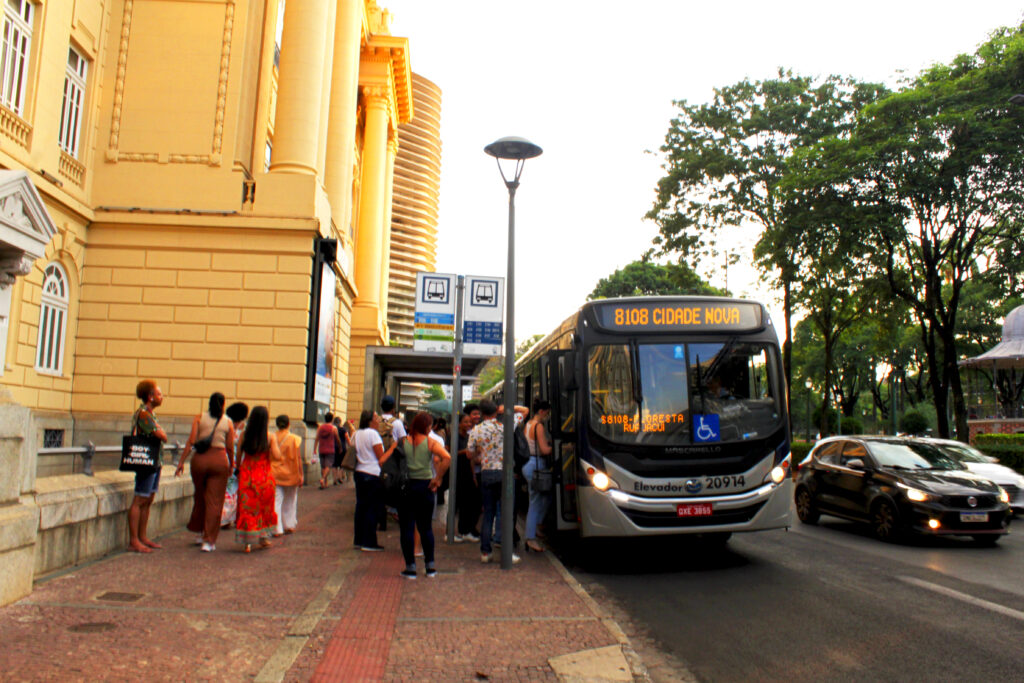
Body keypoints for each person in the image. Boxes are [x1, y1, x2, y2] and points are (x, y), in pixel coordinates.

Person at [467, 399, 527, 564]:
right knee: (506, 513)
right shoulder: (504, 427)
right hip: (505, 474)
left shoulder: (476, 430)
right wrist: (507, 407)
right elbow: (525, 411)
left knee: (488, 514)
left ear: (481, 413)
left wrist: (482, 455)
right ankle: (506, 550)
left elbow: (469, 454)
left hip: (487, 474)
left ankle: (485, 552)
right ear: (496, 411)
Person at [176, 392, 235, 552]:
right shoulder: (228, 422)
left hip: (200, 460)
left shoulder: (199, 417)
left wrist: (181, 462)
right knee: (215, 502)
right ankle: (208, 541)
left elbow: (191, 441)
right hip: (219, 460)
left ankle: (199, 532)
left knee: (200, 496)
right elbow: (229, 447)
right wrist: (231, 464)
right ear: (223, 404)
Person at [397, 412, 451, 579]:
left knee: (406, 527)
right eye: (429, 426)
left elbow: (382, 460)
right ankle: (430, 567)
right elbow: (446, 457)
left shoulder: (402, 442)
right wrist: (437, 478)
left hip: (406, 487)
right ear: (426, 427)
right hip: (426, 486)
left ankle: (410, 568)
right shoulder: (430, 442)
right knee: (426, 527)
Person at [127, 379, 168, 553]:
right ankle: (134, 540)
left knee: (149, 499)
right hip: (146, 461)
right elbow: (161, 435)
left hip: (154, 461)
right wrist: (161, 432)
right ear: (150, 396)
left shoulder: (150, 414)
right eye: (159, 394)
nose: (162, 396)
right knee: (140, 499)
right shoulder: (143, 414)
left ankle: (143, 536)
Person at [236, 406, 281, 552]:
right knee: (264, 508)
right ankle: (263, 538)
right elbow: (277, 456)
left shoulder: (244, 435)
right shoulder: (270, 436)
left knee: (247, 508)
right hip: (264, 477)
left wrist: (239, 468)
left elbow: (238, 455)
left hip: (247, 475)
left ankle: (247, 543)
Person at [353, 410, 397, 551]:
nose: (378, 421)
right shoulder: (373, 434)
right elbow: (381, 457)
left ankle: (359, 539)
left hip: (359, 471)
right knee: (372, 507)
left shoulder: (357, 433)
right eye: (376, 418)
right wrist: (392, 449)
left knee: (361, 507)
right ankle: (369, 541)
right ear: (370, 420)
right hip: (372, 473)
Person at [522, 399, 553, 553]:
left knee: (543, 497)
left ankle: (536, 527)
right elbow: (544, 449)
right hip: (536, 464)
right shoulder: (539, 426)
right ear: (541, 411)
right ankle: (530, 537)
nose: (547, 415)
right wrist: (555, 446)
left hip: (527, 464)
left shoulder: (527, 424)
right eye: (547, 412)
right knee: (535, 502)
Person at [272, 414, 303, 536]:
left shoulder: (272, 437)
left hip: (275, 472)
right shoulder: (295, 438)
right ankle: (289, 525)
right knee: (290, 500)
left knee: (276, 501)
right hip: (291, 472)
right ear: (288, 424)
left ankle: (277, 528)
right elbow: (298, 458)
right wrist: (301, 474)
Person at [220, 402, 250, 528]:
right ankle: (229, 519)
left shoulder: (225, 424)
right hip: (237, 462)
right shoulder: (242, 429)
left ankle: (224, 519)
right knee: (235, 492)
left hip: (225, 460)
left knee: (226, 491)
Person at [453, 413, 480, 542]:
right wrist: (463, 452)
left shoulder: (469, 437)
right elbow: (448, 452)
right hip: (457, 472)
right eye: (465, 422)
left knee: (466, 503)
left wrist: (473, 474)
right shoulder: (454, 436)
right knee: (456, 501)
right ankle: (451, 532)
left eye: (470, 422)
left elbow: (471, 458)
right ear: (459, 423)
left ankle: (464, 530)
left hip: (467, 472)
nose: (469, 424)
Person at [316, 412, 340, 489]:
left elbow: (317, 439)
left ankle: (324, 483)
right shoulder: (333, 428)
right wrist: (340, 447)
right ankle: (323, 479)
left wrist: (314, 449)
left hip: (321, 448)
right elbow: (337, 439)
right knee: (328, 466)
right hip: (330, 449)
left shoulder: (320, 427)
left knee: (323, 466)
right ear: (332, 419)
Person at [333, 416, 349, 485]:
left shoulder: (333, 429)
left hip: (334, 447)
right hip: (342, 447)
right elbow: (347, 438)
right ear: (340, 422)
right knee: (342, 464)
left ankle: (334, 479)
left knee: (335, 464)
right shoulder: (343, 429)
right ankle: (339, 477)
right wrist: (350, 445)